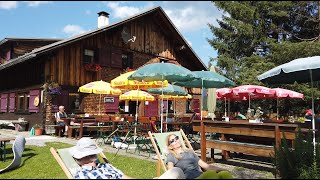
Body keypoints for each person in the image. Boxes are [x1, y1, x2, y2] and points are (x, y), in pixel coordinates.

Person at [70, 137, 186, 179]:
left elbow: (125, 177)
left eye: (93, 155)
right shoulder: (81, 174)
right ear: (80, 159)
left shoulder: (105, 165)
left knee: (176, 171)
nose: (93, 158)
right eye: (90, 156)